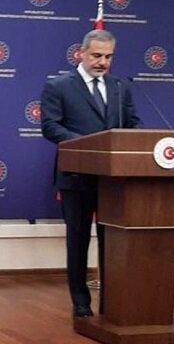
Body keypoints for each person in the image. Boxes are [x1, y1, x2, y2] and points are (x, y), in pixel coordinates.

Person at [40, 29, 141, 318]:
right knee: (78, 240)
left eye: (108, 57)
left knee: (112, 241)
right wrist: (88, 146)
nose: (102, 62)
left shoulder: (120, 87)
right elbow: (50, 127)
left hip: (113, 180)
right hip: (77, 177)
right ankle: (81, 302)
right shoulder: (59, 86)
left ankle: (112, 301)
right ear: (81, 53)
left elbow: (133, 123)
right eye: (97, 55)